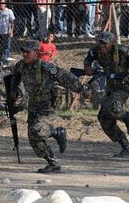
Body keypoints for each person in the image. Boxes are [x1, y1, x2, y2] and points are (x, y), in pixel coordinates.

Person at [10, 39, 88, 173]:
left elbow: (65, 77)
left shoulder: (45, 67)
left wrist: (82, 89)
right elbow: (15, 76)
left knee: (37, 130)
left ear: (36, 53)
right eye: (23, 52)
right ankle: (53, 162)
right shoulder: (21, 66)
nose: (24, 55)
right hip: (33, 106)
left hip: (47, 106)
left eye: (27, 52)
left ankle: (58, 132)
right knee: (33, 139)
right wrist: (14, 90)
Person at [84, 32, 129, 156]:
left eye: (105, 43)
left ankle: (126, 116)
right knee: (104, 118)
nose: (102, 45)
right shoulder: (96, 50)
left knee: (114, 109)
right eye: (101, 42)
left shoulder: (122, 51)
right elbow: (88, 58)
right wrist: (88, 67)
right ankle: (126, 145)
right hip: (110, 87)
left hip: (122, 87)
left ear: (112, 43)